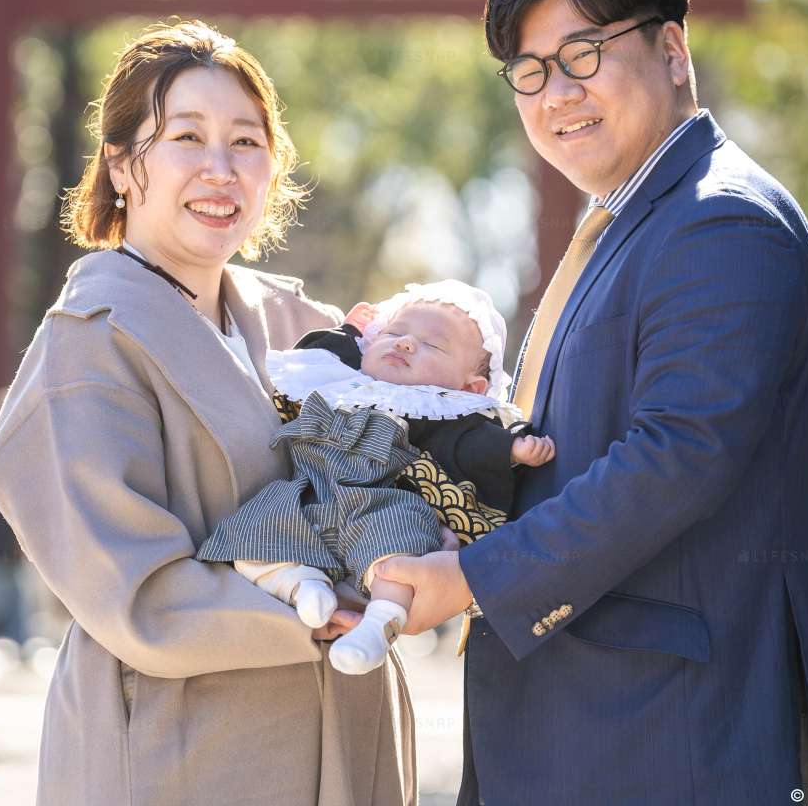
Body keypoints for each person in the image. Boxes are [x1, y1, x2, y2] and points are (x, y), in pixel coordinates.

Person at [376, 0, 808, 805]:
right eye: (530, 70)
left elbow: (677, 458)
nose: (557, 93)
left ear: (672, 49)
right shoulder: (632, 222)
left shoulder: (720, 221)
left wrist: (473, 578)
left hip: (665, 737)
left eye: (584, 52)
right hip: (591, 728)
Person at [0, 20, 416, 806]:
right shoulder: (89, 343)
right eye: (187, 136)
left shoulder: (294, 326)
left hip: (336, 731)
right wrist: (313, 613)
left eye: (247, 142)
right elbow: (133, 589)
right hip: (183, 748)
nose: (221, 169)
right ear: (120, 165)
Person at [196, 280, 555, 675]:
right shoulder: (338, 378)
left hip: (378, 502)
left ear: (470, 387)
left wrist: (512, 448)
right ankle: (299, 583)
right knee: (262, 518)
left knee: (398, 546)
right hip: (312, 492)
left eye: (431, 345)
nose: (404, 344)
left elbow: (470, 443)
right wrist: (350, 330)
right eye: (393, 332)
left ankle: (379, 623)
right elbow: (321, 348)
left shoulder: (437, 410)